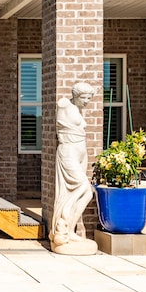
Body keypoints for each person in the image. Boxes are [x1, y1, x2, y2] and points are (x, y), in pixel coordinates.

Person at [50, 82, 98, 255]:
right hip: (68, 151)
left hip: (79, 152)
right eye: (84, 98)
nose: (86, 102)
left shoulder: (77, 109)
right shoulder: (64, 104)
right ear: (76, 96)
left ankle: (68, 230)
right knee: (83, 187)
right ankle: (61, 222)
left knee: (86, 192)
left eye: (89, 99)